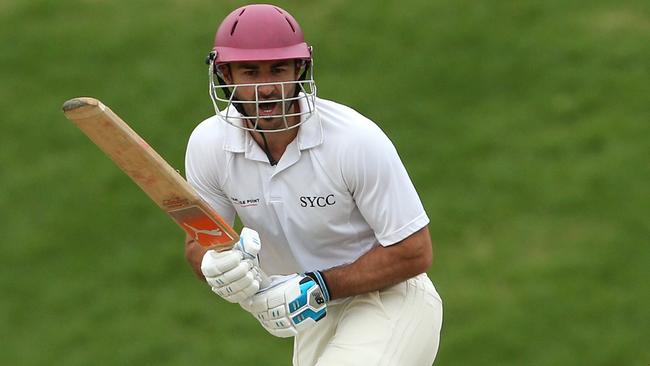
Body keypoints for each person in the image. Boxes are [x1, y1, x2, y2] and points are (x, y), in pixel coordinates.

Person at [184, 4, 443, 365]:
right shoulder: (207, 145)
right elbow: (200, 242)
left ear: (299, 69)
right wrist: (216, 265)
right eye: (250, 72)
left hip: (392, 301)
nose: (267, 88)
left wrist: (318, 286)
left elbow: (415, 250)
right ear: (225, 75)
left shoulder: (354, 140)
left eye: (278, 69)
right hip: (313, 317)